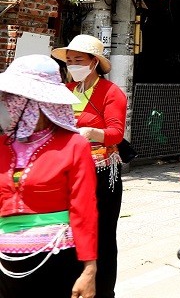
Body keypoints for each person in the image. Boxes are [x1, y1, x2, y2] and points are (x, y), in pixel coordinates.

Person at [0, 55, 98, 297]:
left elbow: (84, 210)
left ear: (38, 104)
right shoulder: (2, 144)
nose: (5, 104)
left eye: (13, 97)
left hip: (54, 263)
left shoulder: (74, 146)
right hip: (4, 265)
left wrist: (89, 270)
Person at [52, 34, 127, 298]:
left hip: (102, 170)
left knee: (102, 234)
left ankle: (104, 289)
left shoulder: (111, 92)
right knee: (72, 229)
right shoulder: (67, 89)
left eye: (78, 60)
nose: (73, 65)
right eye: (69, 61)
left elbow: (116, 133)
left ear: (94, 62)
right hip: (71, 169)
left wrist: (89, 132)